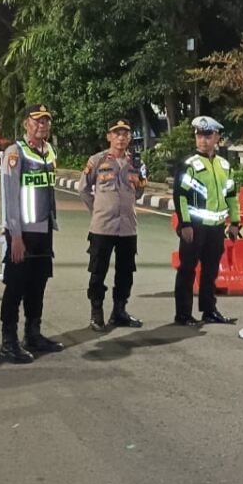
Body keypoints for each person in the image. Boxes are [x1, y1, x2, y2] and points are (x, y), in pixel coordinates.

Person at [0, 103, 65, 363]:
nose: (42, 125)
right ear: (26, 123)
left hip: (44, 229)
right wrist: (15, 235)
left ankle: (33, 333)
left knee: (38, 284)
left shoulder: (48, 151)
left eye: (46, 120)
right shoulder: (15, 153)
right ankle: (8, 341)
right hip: (22, 232)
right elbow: (11, 197)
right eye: (37, 120)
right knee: (15, 287)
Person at [79, 118, 147, 332]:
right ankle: (96, 313)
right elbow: (83, 188)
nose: (121, 137)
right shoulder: (97, 161)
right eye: (116, 133)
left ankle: (119, 311)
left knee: (126, 272)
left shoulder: (135, 162)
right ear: (109, 136)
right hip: (102, 227)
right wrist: (97, 210)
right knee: (98, 271)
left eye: (125, 133)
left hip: (128, 227)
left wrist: (138, 176)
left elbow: (140, 191)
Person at [172, 115, 240, 326]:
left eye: (208, 136)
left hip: (216, 228)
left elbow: (231, 195)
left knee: (210, 271)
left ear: (217, 137)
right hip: (195, 227)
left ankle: (209, 310)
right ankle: (183, 314)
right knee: (187, 270)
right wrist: (185, 224)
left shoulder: (224, 165)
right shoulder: (188, 164)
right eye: (199, 136)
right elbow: (180, 195)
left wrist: (235, 223)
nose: (203, 140)